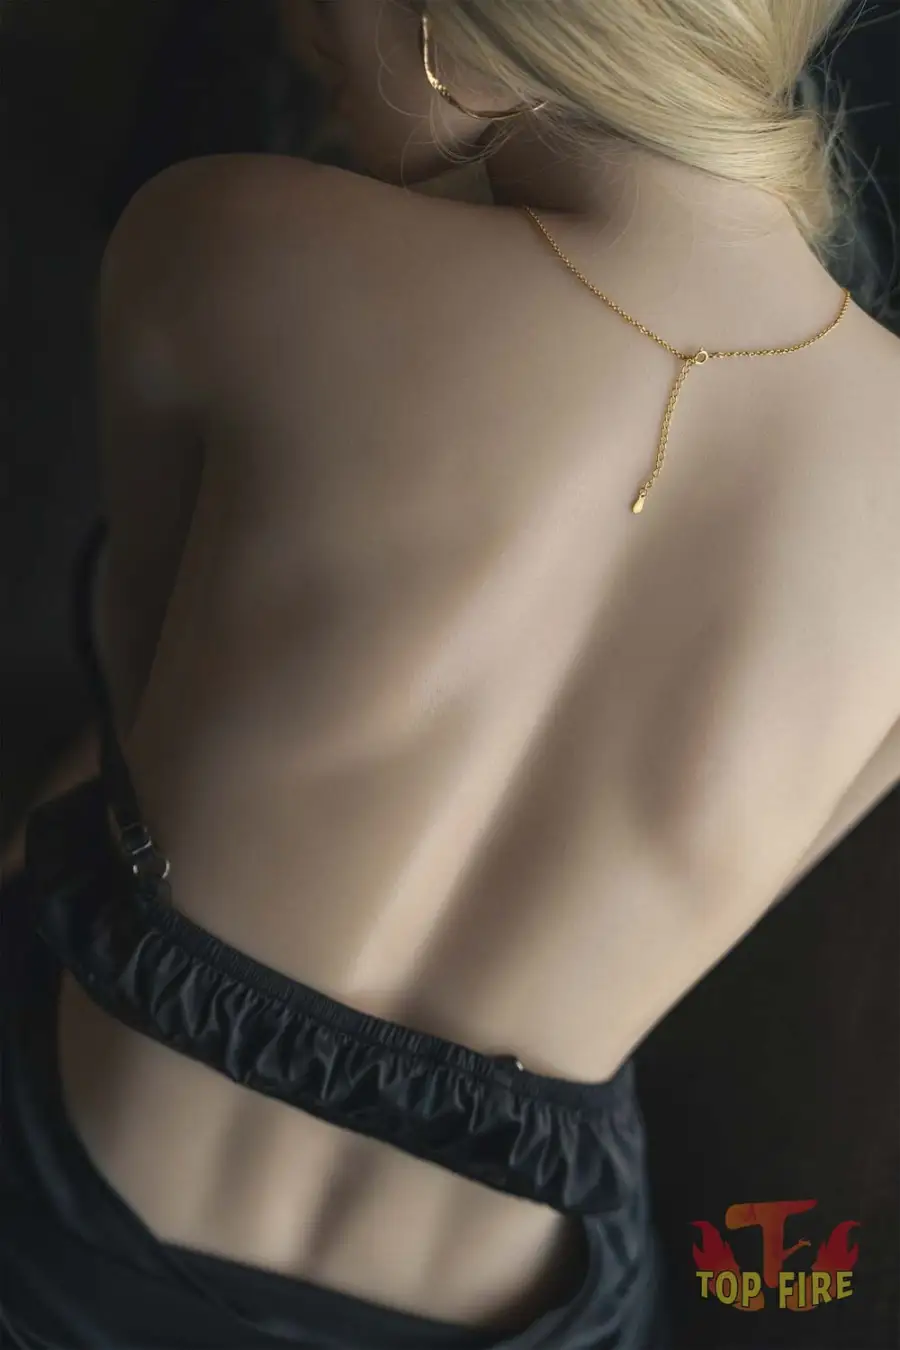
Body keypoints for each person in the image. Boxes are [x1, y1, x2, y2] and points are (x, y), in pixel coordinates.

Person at [2, 2, 899, 1347]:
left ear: (437, 21)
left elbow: (145, 706)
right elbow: (731, 900)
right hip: (529, 1303)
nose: (302, 32)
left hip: (79, 1217)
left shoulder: (226, 238)